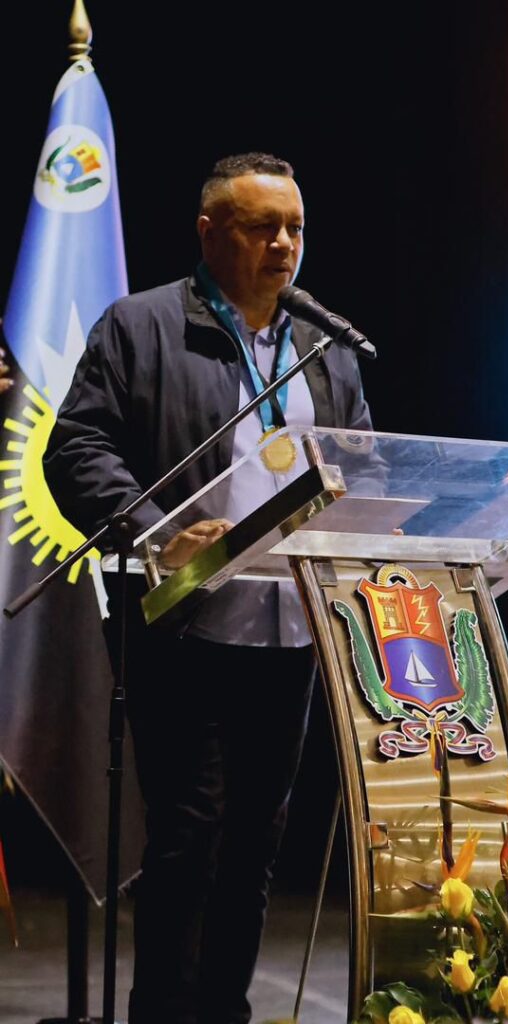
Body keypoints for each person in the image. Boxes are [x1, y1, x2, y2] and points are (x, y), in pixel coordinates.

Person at [43, 152, 373, 1024]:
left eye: (295, 228)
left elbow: (361, 463)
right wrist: (154, 530)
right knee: (187, 836)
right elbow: (76, 448)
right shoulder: (142, 326)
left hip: (291, 627)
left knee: (257, 842)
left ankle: (226, 1010)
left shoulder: (324, 346)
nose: (284, 244)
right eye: (263, 227)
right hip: (185, 621)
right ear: (209, 233)